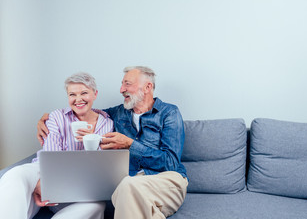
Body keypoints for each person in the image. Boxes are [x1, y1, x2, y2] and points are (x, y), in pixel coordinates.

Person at [37, 66, 188, 219]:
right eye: (122, 84)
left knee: (126, 186)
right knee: (127, 189)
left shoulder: (169, 113)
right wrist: (49, 118)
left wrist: (130, 144)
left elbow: (171, 163)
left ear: (148, 87)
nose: (122, 89)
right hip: (133, 184)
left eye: (127, 84)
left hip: (166, 179)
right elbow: (84, 110)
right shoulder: (118, 113)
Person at [0, 72, 114, 219]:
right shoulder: (56, 116)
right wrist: (46, 182)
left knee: (96, 206)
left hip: (80, 179)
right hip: (43, 170)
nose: (78, 99)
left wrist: (89, 142)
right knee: (15, 175)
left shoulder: (107, 123)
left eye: (84, 93)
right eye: (72, 94)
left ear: (95, 94)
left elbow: (98, 164)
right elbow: (51, 155)